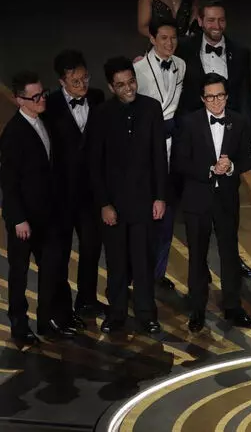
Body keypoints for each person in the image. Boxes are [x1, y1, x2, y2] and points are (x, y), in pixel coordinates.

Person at [87, 56, 167, 335]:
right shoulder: (101, 114)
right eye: (120, 85)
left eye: (131, 81)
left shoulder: (151, 108)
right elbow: (94, 164)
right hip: (115, 205)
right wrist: (104, 203)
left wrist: (160, 196)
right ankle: (117, 313)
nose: (128, 88)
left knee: (143, 261)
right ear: (111, 87)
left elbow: (159, 156)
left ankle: (147, 314)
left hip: (144, 202)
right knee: (117, 262)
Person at [172, 73, 251, 333]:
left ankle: (233, 307)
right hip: (197, 199)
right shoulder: (189, 123)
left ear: (227, 96)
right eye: (210, 97)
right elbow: (179, 161)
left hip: (227, 199)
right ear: (202, 98)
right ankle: (197, 309)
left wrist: (230, 167)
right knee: (197, 255)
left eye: (220, 96)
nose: (216, 101)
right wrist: (209, 169)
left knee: (229, 254)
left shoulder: (239, 121)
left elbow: (247, 158)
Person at [1, 72, 72, 344]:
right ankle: (20, 328)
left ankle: (46, 322)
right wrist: (19, 219)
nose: (42, 99)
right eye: (35, 97)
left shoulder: (44, 122)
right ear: (19, 100)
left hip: (48, 216)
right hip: (24, 220)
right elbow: (8, 182)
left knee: (51, 270)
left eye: (43, 93)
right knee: (19, 275)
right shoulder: (13, 134)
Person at [42, 50, 107, 318]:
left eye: (85, 78)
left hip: (91, 193)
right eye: (75, 81)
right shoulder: (49, 106)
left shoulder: (98, 98)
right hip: (62, 195)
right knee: (61, 253)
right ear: (62, 81)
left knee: (91, 248)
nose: (83, 85)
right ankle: (62, 308)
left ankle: (87, 301)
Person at [134, 17, 186, 290]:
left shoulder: (181, 65)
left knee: (168, 214)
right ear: (152, 39)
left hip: (173, 149)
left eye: (173, 38)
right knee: (145, 215)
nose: (169, 43)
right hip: (146, 151)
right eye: (163, 38)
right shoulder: (137, 69)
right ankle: (139, 274)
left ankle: (157, 272)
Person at [178, 0, 251, 131]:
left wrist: (247, 134)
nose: (217, 26)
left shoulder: (240, 52)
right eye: (211, 20)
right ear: (200, 21)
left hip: (230, 129)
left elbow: (244, 99)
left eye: (221, 20)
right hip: (194, 130)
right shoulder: (183, 49)